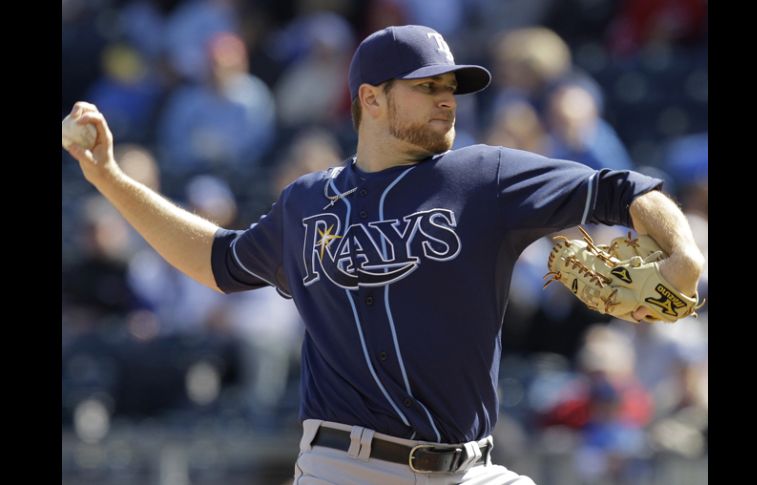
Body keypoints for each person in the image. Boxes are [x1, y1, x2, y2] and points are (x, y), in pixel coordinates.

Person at [63, 24, 704, 485]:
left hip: (468, 468)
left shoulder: (487, 177)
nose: (447, 97)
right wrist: (111, 180)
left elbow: (623, 189)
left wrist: (683, 254)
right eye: (426, 86)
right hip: (345, 467)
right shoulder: (306, 203)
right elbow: (217, 261)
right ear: (370, 99)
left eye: (452, 85)